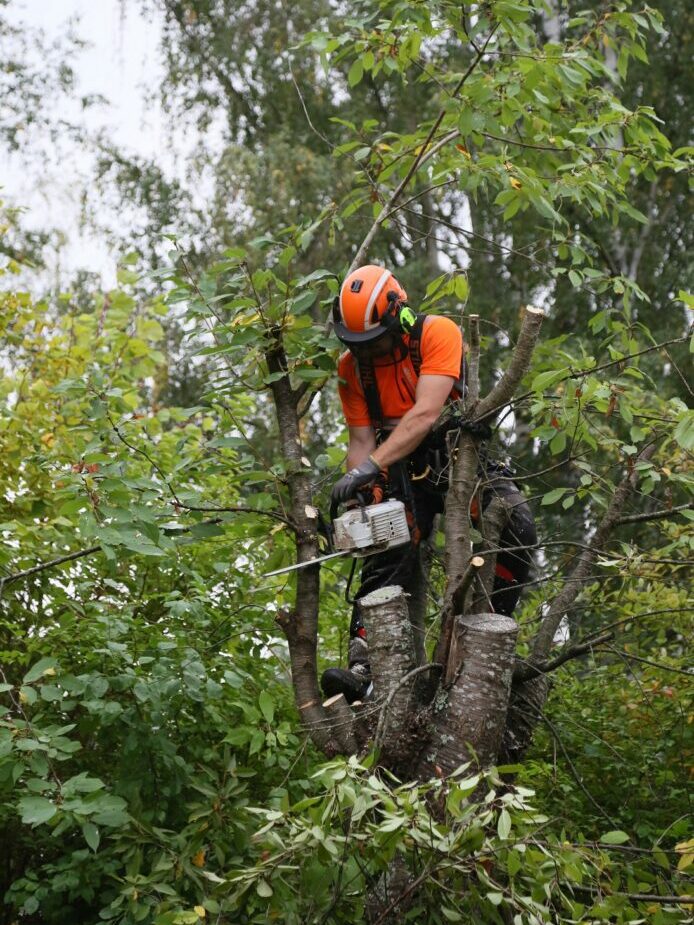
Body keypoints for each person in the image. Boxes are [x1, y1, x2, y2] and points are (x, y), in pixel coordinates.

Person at [320, 264, 536, 703]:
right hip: (397, 466)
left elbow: (426, 414)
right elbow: (361, 441)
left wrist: (369, 465)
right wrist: (359, 489)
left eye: (373, 341)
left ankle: (489, 639)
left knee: (515, 524)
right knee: (382, 543)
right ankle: (366, 663)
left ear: (397, 318)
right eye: (357, 344)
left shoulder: (437, 333)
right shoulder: (351, 369)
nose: (367, 352)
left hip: (456, 454)